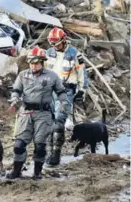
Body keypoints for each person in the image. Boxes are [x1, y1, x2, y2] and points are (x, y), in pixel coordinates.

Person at [6, 47, 68, 180]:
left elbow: (61, 92)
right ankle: (16, 171)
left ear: (42, 62)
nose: (33, 66)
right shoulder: (23, 75)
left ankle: (37, 173)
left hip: (43, 114)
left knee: (40, 145)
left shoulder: (52, 76)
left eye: (36, 63)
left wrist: (63, 104)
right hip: (26, 113)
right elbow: (16, 90)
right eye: (31, 63)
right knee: (19, 145)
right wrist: (15, 98)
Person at [45, 27, 89, 166]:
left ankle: (56, 155)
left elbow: (82, 73)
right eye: (52, 44)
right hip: (49, 91)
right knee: (49, 123)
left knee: (58, 123)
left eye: (56, 44)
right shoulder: (49, 53)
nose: (55, 47)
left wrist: (82, 90)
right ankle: (48, 153)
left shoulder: (75, 54)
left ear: (63, 40)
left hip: (66, 91)